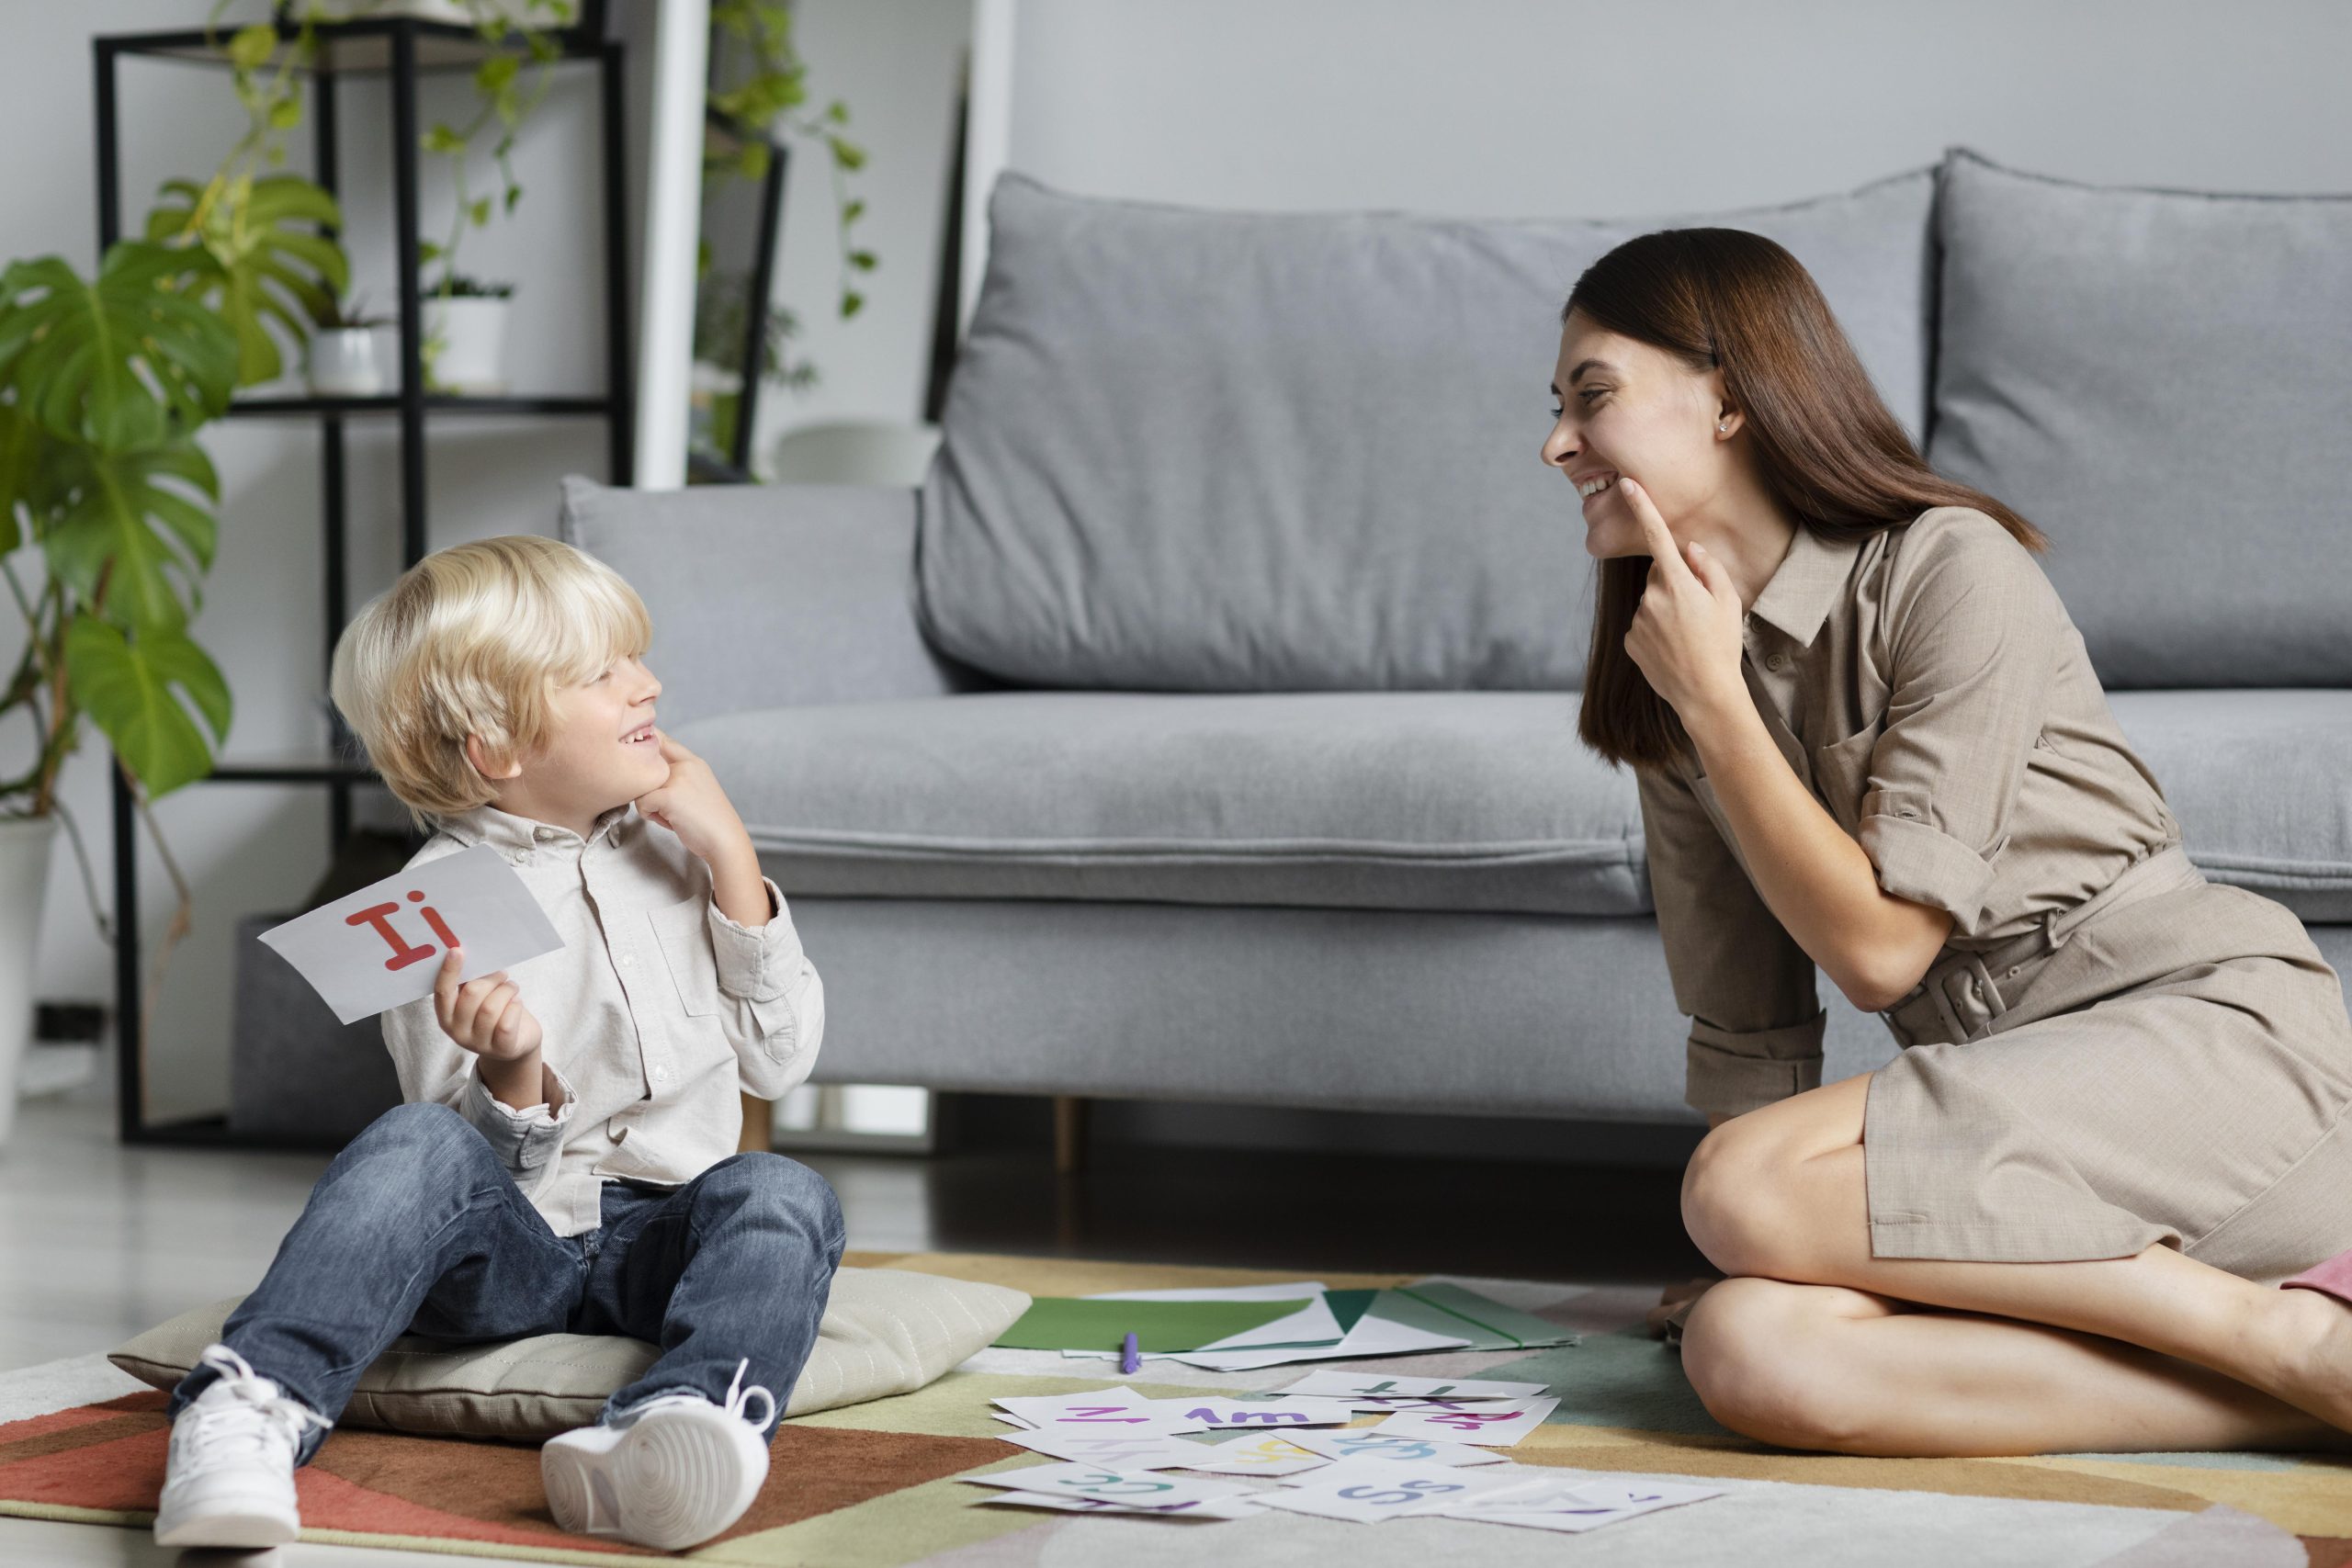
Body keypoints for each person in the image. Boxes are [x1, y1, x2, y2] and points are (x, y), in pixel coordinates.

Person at [1546, 228, 2352, 1458]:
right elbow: (1747, 1015)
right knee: (1747, 1347)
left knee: (1736, 1190)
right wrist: (1783, 1238)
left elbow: (1878, 952)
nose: (1558, 444)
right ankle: (2294, 1381)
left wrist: (1718, 702)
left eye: (1591, 397)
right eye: (1556, 409)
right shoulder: (1674, 665)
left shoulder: (1948, 565)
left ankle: (2292, 1341)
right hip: (2003, 1139)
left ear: (1729, 397)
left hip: (2210, 1070)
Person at [152, 536, 845, 1550]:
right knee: (413, 1140)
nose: (647, 683)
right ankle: (250, 1409)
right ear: (497, 748)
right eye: (603, 671)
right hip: (512, 1256)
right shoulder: (429, 906)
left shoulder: (680, 852)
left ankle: (685, 1425)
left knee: (785, 1193)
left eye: (636, 657)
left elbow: (779, 1064)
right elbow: (455, 1169)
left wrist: (731, 854)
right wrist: (511, 1075)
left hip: (662, 1241)